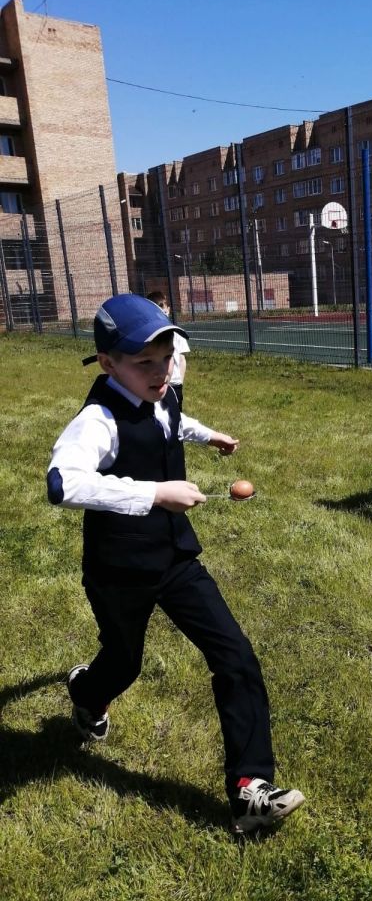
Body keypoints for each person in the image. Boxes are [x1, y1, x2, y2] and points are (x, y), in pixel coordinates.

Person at [47, 293, 304, 837]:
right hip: (119, 566)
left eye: (167, 358)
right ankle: (87, 693)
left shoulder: (161, 389)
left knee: (234, 655)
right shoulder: (98, 419)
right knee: (124, 663)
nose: (161, 372)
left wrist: (208, 435)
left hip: (175, 556)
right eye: (145, 363)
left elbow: (171, 419)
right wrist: (155, 492)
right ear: (108, 363)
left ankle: (249, 791)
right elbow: (62, 483)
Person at [146, 290, 189, 410]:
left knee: (176, 413)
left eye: (163, 310)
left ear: (168, 310)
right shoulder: (147, 336)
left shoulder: (176, 333)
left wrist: (180, 379)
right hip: (155, 384)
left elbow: (181, 359)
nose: (162, 314)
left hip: (175, 384)